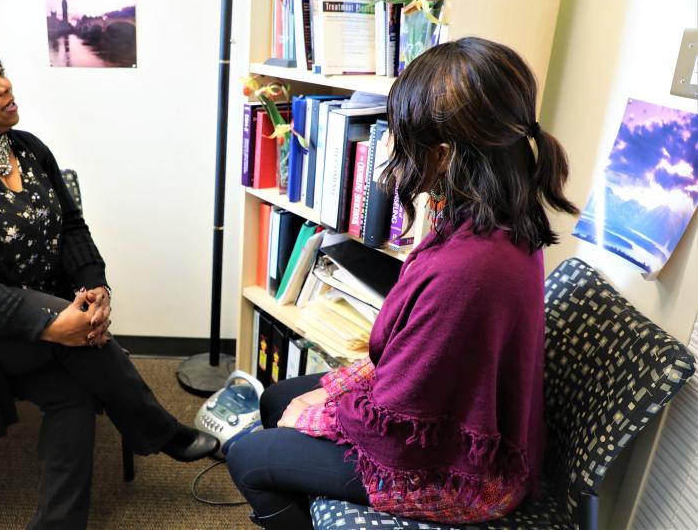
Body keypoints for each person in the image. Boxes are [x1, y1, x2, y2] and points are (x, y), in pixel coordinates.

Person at [226, 37, 579, 529]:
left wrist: (317, 416)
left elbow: (397, 428)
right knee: (276, 398)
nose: (392, 148)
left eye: (400, 137)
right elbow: (405, 368)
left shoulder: (470, 269)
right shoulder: (496, 219)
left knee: (251, 457)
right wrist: (321, 401)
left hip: (462, 475)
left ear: (445, 155)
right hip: (460, 433)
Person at [0, 27, 218, 530]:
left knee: (74, 394)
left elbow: (69, 227)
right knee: (82, 347)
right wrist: (56, 324)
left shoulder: (28, 148)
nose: (4, 85)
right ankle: (160, 430)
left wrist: (94, 288)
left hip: (25, 307)